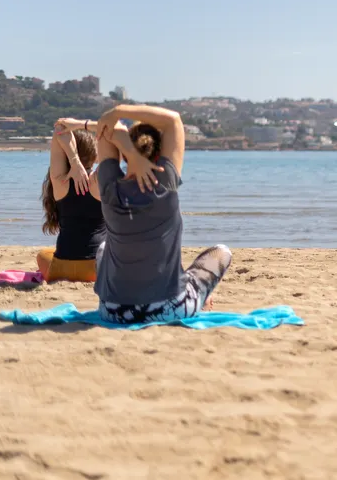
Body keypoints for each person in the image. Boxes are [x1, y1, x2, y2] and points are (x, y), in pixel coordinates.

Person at [93, 103, 233, 324]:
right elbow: (173, 120)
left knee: (103, 247)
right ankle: (200, 299)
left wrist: (128, 149)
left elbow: (105, 127)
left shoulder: (109, 186)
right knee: (222, 253)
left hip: (113, 311)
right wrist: (119, 110)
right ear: (159, 153)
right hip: (168, 309)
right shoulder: (166, 183)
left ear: (122, 155)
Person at [36, 118, 106, 282]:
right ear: (94, 154)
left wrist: (74, 162)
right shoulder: (99, 180)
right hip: (95, 269)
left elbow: (59, 127)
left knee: (43, 255)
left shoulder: (59, 180)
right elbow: (115, 130)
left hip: (61, 269)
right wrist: (83, 124)